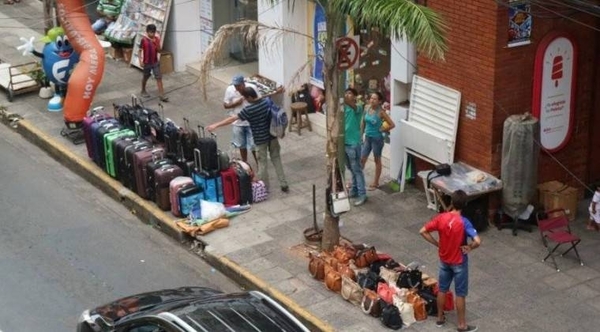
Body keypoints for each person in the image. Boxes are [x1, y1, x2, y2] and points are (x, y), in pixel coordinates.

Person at [419, 190, 481, 332]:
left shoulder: (441, 218)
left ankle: (440, 318)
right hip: (459, 261)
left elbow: (422, 231)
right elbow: (478, 240)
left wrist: (437, 243)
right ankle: (461, 324)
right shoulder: (464, 222)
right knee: (460, 294)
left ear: (451, 202)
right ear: (464, 205)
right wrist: (470, 247)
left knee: (442, 289)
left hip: (444, 260)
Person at [207, 87, 289, 193]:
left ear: (250, 97)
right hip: (272, 136)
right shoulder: (266, 102)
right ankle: (284, 184)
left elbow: (233, 119)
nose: (245, 100)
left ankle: (264, 187)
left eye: (245, 98)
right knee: (277, 159)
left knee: (262, 163)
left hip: (260, 140)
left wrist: (216, 125)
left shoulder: (249, 110)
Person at [360, 91, 394, 190]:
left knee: (377, 160)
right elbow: (363, 121)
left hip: (377, 139)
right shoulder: (367, 107)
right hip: (367, 138)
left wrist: (382, 129)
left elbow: (392, 124)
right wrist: (361, 134)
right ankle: (357, 180)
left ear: (379, 101)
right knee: (362, 159)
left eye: (375, 99)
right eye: (371, 98)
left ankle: (376, 182)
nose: (372, 100)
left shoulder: (381, 112)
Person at [223, 75, 259, 169]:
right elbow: (225, 105)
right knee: (241, 145)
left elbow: (258, 99)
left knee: (253, 145)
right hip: (238, 122)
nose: (237, 88)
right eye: (235, 86)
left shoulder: (252, 88)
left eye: (238, 86)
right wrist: (236, 103)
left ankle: (259, 164)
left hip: (251, 122)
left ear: (243, 84)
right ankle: (245, 164)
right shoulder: (230, 90)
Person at [343, 88, 367, 206]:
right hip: (344, 143)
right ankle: (354, 190)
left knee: (357, 169)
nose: (347, 95)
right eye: (346, 93)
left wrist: (343, 98)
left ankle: (362, 194)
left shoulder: (357, 107)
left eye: (350, 93)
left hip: (354, 143)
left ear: (355, 96)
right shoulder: (344, 108)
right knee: (351, 169)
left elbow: (351, 104)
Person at [139, 24, 168, 102]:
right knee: (146, 77)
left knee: (159, 77)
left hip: (155, 62)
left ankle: (162, 94)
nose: (152, 34)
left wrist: (155, 43)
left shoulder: (156, 39)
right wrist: (140, 61)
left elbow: (159, 50)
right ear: (147, 32)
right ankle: (143, 90)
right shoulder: (144, 40)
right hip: (147, 62)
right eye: (151, 32)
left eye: (153, 32)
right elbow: (140, 50)